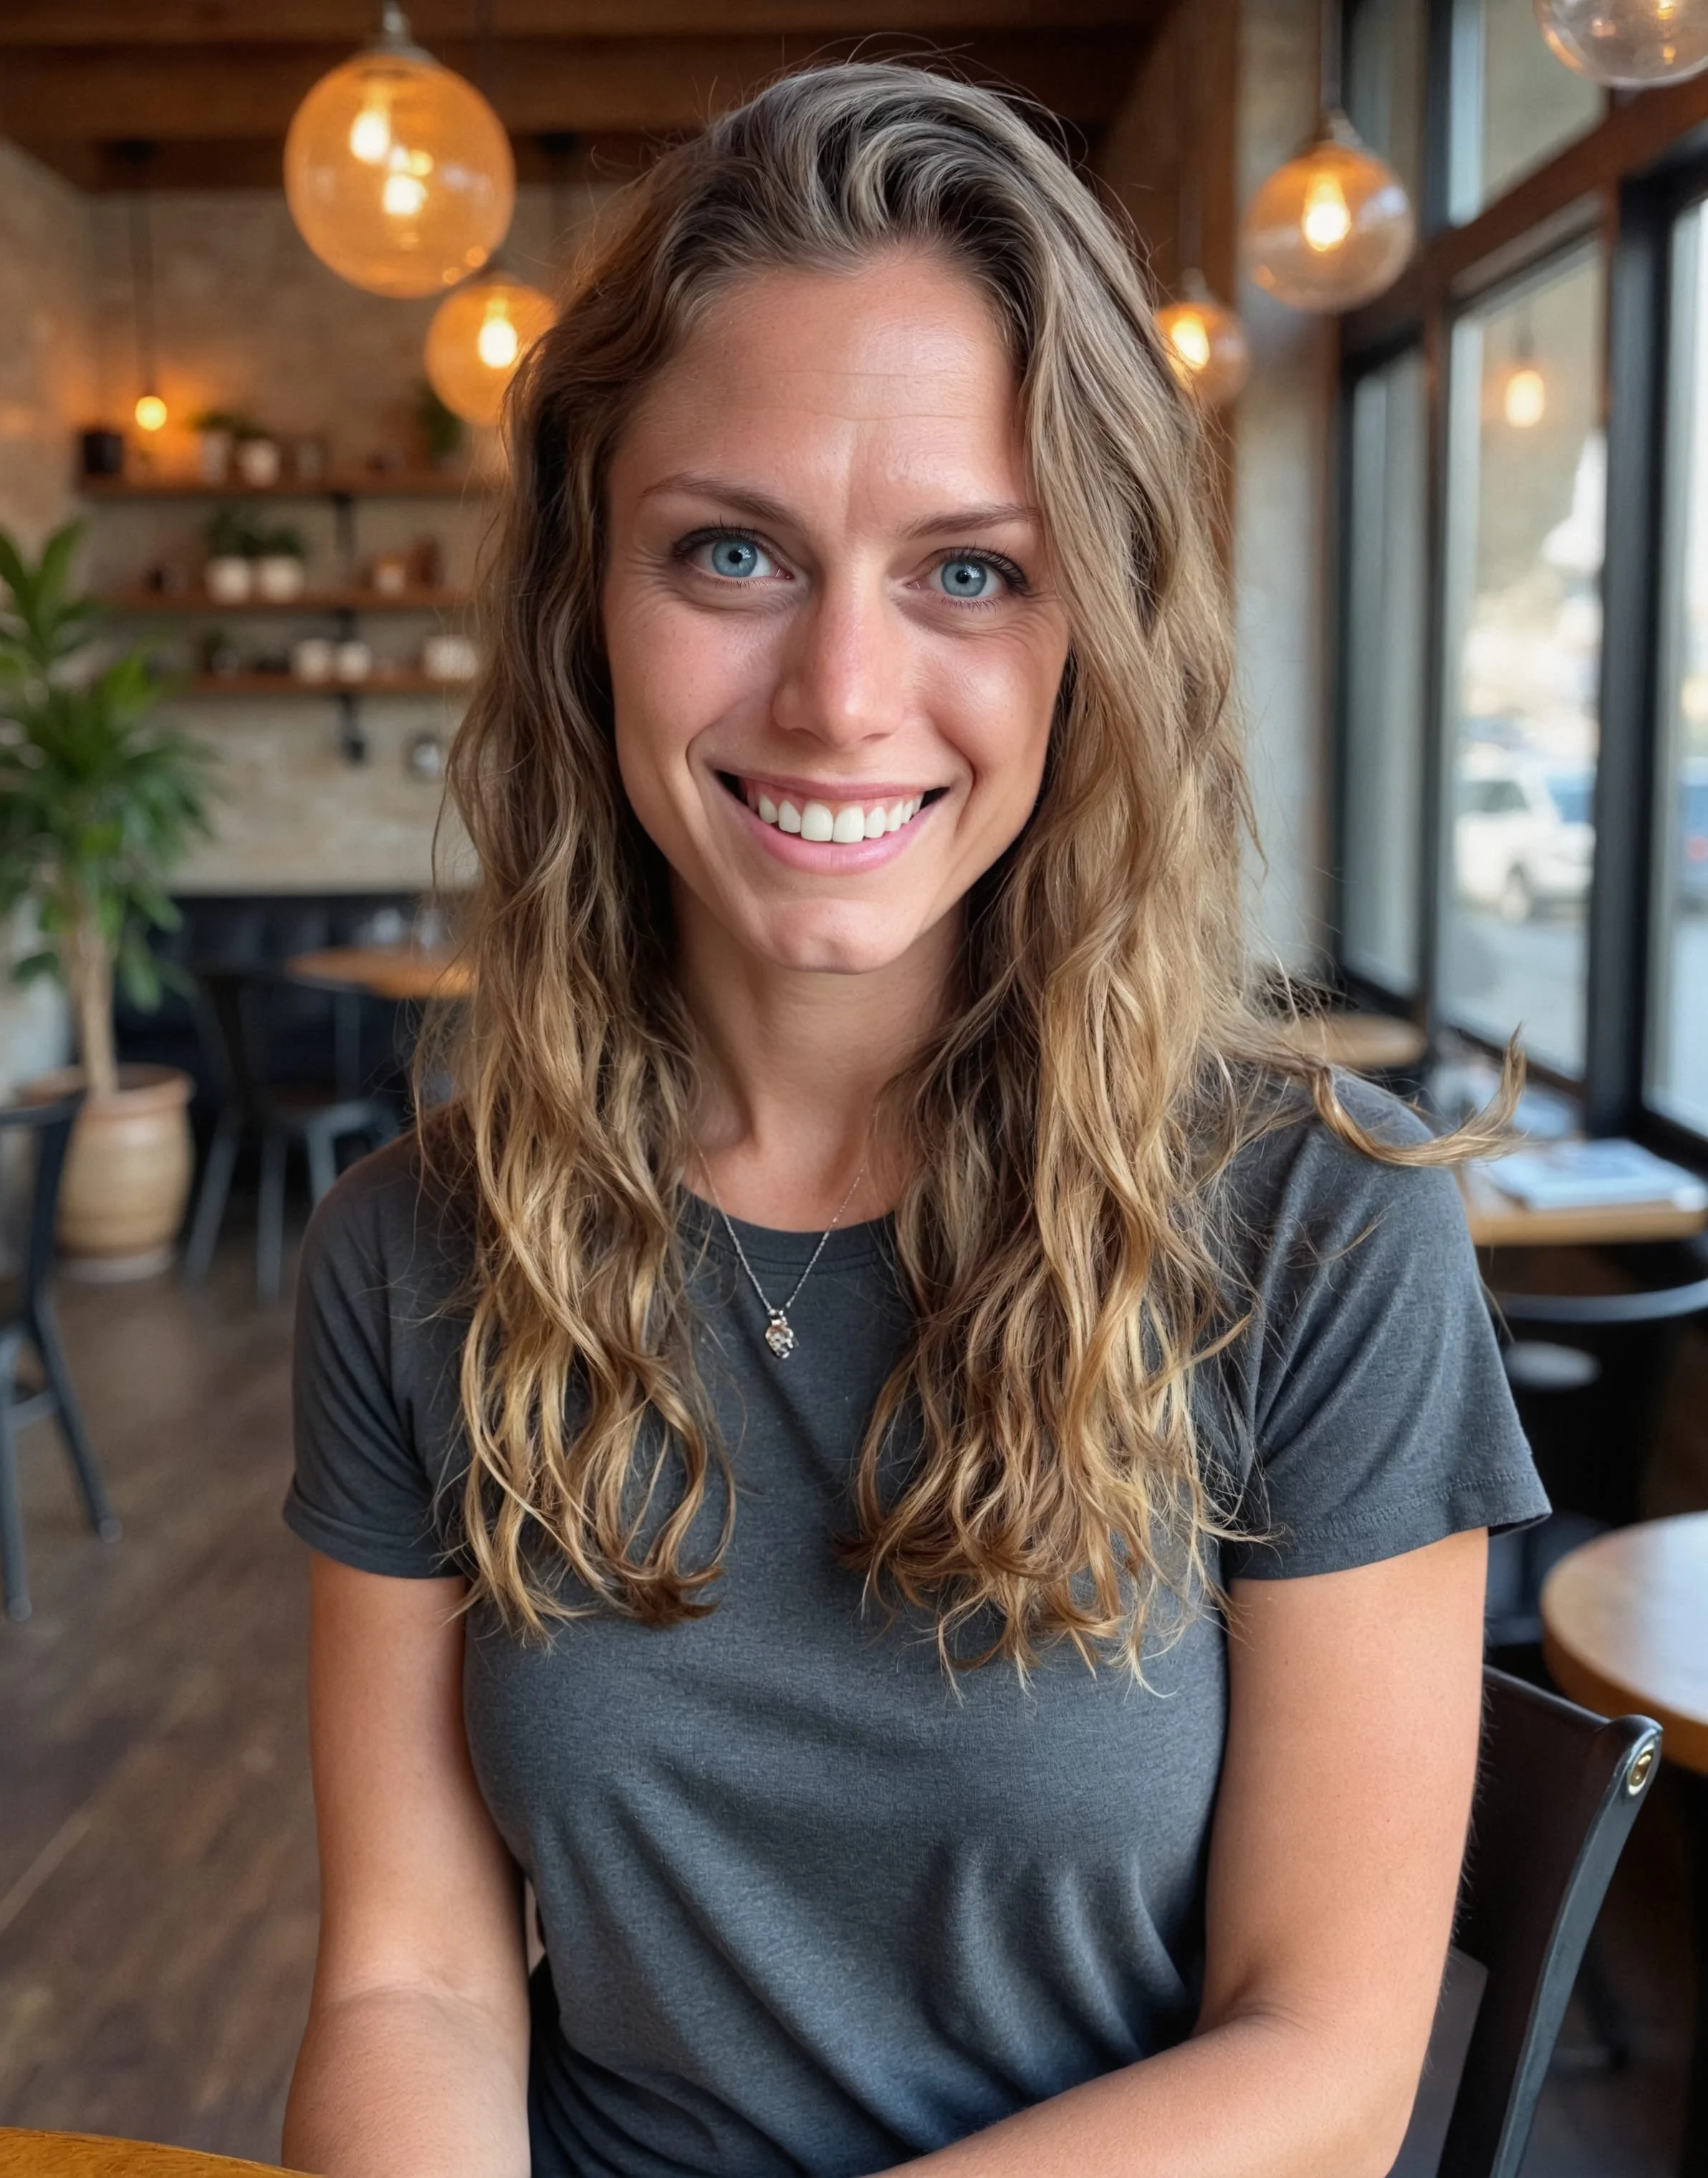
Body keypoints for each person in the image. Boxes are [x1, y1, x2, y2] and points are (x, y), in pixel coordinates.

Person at [281, 62, 1547, 2178]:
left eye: (968, 573)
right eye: (734, 552)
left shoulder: (1313, 1238)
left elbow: (1323, 2063)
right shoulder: (414, 1250)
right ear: (586, 606)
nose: (843, 694)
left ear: (1096, 637)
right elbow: (407, 1981)